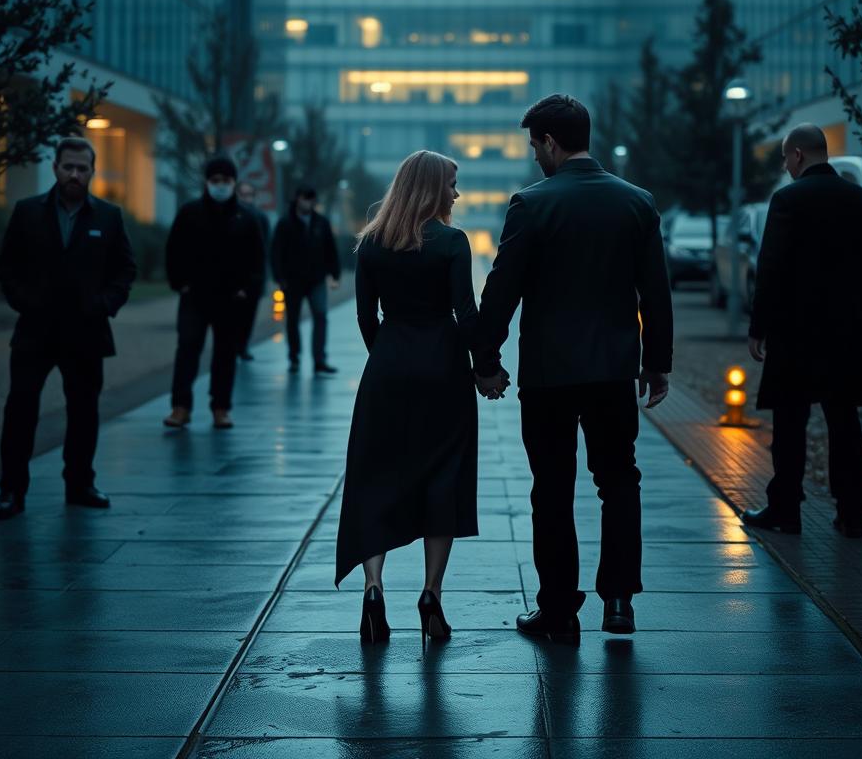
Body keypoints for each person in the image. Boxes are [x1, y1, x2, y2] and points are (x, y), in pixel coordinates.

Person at [474, 94, 674, 646]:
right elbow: (656, 293)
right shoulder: (637, 203)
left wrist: (485, 359)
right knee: (619, 480)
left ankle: (558, 609)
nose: (534, 156)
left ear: (550, 142)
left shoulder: (531, 205)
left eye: (534, 145)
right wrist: (657, 363)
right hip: (612, 369)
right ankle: (618, 600)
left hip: (548, 373)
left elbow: (502, 288)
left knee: (553, 489)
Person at [335, 151, 493, 646]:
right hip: (443, 370)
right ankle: (430, 595)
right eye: (451, 184)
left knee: (375, 476)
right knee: (443, 476)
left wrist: (387, 357)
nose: (456, 194)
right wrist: (486, 368)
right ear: (430, 189)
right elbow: (466, 314)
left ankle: (374, 590)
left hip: (387, 369)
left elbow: (366, 318)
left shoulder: (373, 245)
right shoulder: (451, 243)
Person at [744, 123, 862, 539]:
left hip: (796, 334)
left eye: (784, 157)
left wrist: (759, 328)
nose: (784, 165)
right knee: (844, 420)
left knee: (790, 423)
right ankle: (851, 512)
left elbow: (770, 269)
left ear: (796, 155)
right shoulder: (861, 199)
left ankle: (786, 510)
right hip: (848, 332)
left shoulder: (788, 200)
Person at [0, 137, 137, 520]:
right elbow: (7, 267)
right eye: (68, 166)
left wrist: (105, 304)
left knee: (84, 412)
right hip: (35, 331)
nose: (75, 174)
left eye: (82, 168)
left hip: (87, 333)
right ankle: (11, 490)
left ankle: (80, 484)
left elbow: (125, 269)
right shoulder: (27, 212)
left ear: (92, 171)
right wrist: (25, 302)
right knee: (20, 410)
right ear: (55, 168)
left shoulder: (108, 216)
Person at [163, 156, 265, 430]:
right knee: (187, 348)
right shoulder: (190, 213)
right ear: (207, 182)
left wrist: (247, 289)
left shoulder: (247, 217)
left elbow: (256, 258)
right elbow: (174, 251)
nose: (220, 186)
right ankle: (180, 406)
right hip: (195, 295)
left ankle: (221, 407)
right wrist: (179, 283)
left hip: (231, 299)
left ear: (234, 183)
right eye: (215, 181)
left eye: (226, 181)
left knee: (225, 353)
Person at [271, 185, 341, 375]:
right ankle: (294, 356)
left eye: (311, 198)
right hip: (292, 281)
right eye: (304, 198)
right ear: (297, 199)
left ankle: (319, 360)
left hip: (316, 279)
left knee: (320, 317)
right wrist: (279, 277)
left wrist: (335, 274)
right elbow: (276, 252)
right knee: (293, 320)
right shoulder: (285, 223)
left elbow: (330, 250)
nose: (307, 202)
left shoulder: (321, 223)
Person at [234, 181, 271, 361]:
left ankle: (242, 346)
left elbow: (265, 249)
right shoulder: (232, 216)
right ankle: (235, 345)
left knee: (249, 314)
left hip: (253, 277)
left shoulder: (260, 218)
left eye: (250, 195)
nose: (247, 199)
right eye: (244, 194)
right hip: (235, 276)